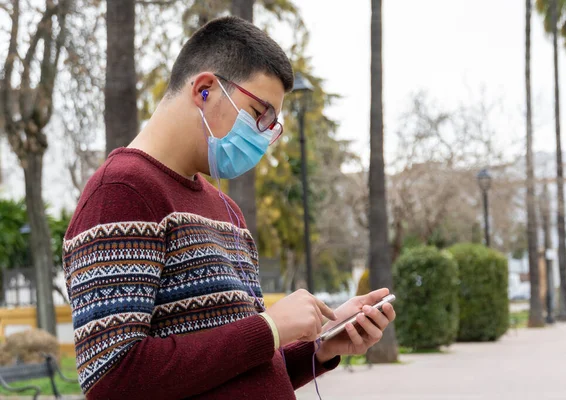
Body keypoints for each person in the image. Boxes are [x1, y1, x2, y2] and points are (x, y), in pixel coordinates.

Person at [62, 16, 396, 400]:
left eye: (273, 125)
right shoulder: (122, 189)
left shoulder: (225, 209)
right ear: (205, 89)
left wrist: (322, 346)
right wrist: (270, 327)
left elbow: (244, 369)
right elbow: (113, 379)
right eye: (259, 114)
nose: (264, 136)